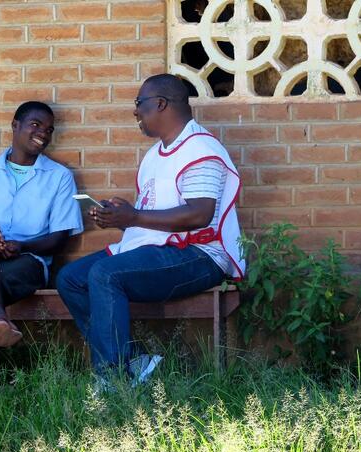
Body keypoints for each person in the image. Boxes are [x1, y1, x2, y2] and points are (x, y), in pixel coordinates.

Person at [55, 74, 245, 385]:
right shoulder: (156, 154)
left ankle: (114, 380)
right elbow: (151, 212)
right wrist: (119, 214)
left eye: (139, 104)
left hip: (201, 255)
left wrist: (132, 218)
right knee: (70, 279)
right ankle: (134, 360)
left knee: (105, 275)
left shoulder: (200, 148)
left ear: (161, 103)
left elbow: (199, 214)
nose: (135, 113)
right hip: (160, 248)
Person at [0, 101, 83, 377]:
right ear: (15, 126)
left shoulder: (59, 177)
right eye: (35, 125)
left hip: (30, 261)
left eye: (49, 129)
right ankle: (0, 321)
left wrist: (22, 245)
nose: (43, 134)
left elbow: (60, 237)